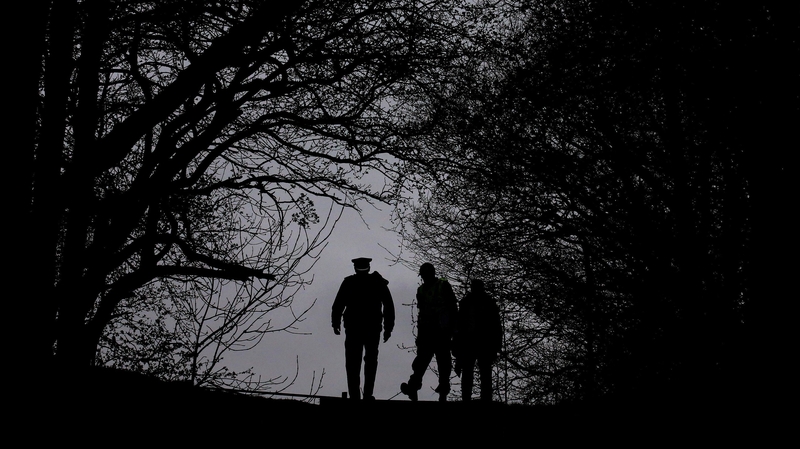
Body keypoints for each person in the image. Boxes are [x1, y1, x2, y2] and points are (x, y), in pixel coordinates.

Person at [331, 257, 395, 401]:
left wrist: (335, 322)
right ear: (368, 267)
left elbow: (338, 304)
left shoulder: (350, 282)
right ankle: (364, 395)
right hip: (367, 328)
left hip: (359, 328)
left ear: (355, 268)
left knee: (356, 362)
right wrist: (388, 327)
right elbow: (389, 306)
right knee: (367, 362)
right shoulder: (376, 282)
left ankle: (359, 395)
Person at [400, 262, 458, 402]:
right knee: (421, 362)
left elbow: (453, 308)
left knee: (443, 363)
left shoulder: (443, 285)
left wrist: (453, 330)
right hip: (427, 332)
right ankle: (413, 387)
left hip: (441, 331)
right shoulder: (421, 290)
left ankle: (442, 391)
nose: (425, 278)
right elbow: (421, 314)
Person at [452, 279, 502, 402]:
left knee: (481, 372)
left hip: (482, 342)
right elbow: (459, 326)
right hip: (472, 342)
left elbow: (496, 325)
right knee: (472, 372)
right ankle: (472, 399)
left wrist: (496, 345)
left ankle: (482, 399)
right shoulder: (471, 303)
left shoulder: (482, 303)